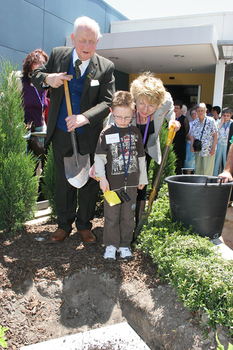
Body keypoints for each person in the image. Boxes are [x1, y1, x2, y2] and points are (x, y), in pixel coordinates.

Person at [32, 16, 115, 243]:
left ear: (98, 41)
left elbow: (108, 102)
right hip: (60, 133)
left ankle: (84, 226)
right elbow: (36, 76)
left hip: (88, 134)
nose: (87, 47)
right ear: (73, 38)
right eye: (82, 41)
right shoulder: (59, 55)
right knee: (63, 181)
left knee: (88, 183)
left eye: (92, 41)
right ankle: (63, 225)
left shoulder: (106, 67)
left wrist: (83, 117)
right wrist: (49, 78)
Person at [94, 91, 148, 260]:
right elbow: (99, 158)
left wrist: (142, 178)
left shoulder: (135, 132)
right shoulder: (106, 132)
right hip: (112, 186)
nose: (123, 121)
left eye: (127, 118)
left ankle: (124, 245)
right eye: (119, 117)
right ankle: (111, 245)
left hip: (131, 185)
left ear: (133, 113)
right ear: (111, 112)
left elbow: (141, 158)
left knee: (127, 217)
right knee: (111, 216)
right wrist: (102, 178)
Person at [128, 72, 180, 224]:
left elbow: (170, 110)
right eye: (141, 104)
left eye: (151, 106)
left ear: (158, 104)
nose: (145, 109)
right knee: (128, 182)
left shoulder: (166, 102)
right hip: (128, 149)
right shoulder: (127, 103)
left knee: (142, 183)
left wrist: (172, 120)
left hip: (147, 147)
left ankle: (138, 221)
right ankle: (125, 219)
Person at [21, 49, 49, 146]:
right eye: (37, 63)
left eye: (42, 64)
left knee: (39, 158)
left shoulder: (44, 84)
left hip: (40, 129)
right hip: (24, 128)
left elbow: (43, 106)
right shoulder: (21, 82)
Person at [190, 102, 218, 175]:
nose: (200, 112)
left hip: (208, 150)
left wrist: (213, 148)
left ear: (205, 110)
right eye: (198, 110)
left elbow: (215, 135)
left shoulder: (211, 120)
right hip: (198, 150)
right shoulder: (195, 122)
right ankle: (199, 185)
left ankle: (207, 186)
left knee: (207, 171)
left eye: (202, 110)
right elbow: (192, 135)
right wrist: (191, 145)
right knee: (198, 171)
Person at [213, 107, 233, 176]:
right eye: (224, 115)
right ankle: (215, 176)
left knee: (226, 161)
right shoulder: (218, 121)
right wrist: (221, 123)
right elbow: (214, 131)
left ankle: (225, 175)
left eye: (228, 115)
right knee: (217, 162)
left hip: (227, 144)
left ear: (230, 116)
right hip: (219, 144)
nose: (226, 117)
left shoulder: (232, 123)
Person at [172, 100, 189, 174]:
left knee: (179, 165)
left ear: (180, 109)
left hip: (180, 146)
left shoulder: (184, 119)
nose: (175, 110)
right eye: (174, 107)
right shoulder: (169, 119)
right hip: (171, 145)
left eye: (177, 108)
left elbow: (186, 131)